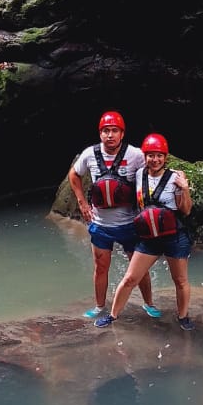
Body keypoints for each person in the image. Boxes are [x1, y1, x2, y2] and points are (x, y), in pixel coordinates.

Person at [95, 133, 195, 330]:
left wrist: (185, 189)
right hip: (148, 238)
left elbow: (186, 210)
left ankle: (183, 317)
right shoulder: (139, 174)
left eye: (159, 155)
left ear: (165, 157)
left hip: (173, 236)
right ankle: (113, 315)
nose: (155, 159)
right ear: (145, 156)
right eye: (151, 155)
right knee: (130, 278)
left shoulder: (175, 178)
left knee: (180, 280)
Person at [68, 111, 160, 320]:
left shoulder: (135, 155)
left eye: (114, 131)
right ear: (100, 134)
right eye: (106, 131)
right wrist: (82, 203)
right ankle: (100, 306)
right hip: (101, 225)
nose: (110, 135)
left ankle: (149, 303)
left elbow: (153, 173)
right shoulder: (89, 154)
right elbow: (74, 175)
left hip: (130, 223)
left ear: (122, 133)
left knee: (140, 268)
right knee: (101, 268)